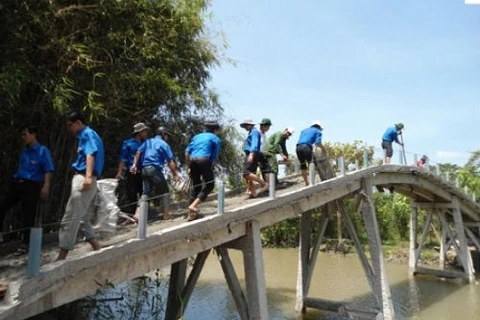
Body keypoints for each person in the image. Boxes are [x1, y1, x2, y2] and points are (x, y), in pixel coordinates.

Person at [56, 110, 104, 260]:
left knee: (70, 217)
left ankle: (62, 255)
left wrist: (88, 177)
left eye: (70, 125)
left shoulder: (86, 134)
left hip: (84, 177)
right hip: (86, 177)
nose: (69, 128)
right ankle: (96, 246)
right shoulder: (88, 134)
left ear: (78, 123)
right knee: (80, 215)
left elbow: (91, 154)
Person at [0, 125, 54, 254]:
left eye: (25, 134)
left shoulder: (42, 151)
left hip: (32, 185)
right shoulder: (24, 150)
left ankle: (25, 244)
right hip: (18, 182)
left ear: (33, 134)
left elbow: (48, 169)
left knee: (28, 215)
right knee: (2, 205)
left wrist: (46, 185)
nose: (23, 137)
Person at [130, 127, 179, 220]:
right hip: (154, 169)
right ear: (163, 134)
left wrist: (134, 165)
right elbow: (170, 161)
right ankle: (166, 215)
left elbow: (138, 152)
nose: (167, 138)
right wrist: (175, 174)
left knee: (145, 193)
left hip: (144, 169)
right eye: (167, 136)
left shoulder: (147, 142)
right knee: (165, 192)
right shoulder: (164, 144)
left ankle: (137, 214)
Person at [184, 121, 222, 221]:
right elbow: (214, 155)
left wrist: (188, 166)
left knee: (196, 187)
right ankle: (194, 205)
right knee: (210, 185)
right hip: (204, 160)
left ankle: (191, 215)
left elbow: (187, 152)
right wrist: (210, 166)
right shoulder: (215, 138)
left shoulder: (196, 137)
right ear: (216, 130)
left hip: (192, 161)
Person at [115, 123, 149, 217]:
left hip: (144, 172)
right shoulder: (128, 143)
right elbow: (123, 158)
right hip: (132, 173)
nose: (146, 133)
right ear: (139, 133)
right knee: (131, 194)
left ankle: (144, 215)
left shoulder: (146, 144)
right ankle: (131, 216)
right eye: (144, 131)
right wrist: (120, 172)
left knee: (144, 192)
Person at [240, 119, 268, 199]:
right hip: (251, 154)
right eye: (244, 126)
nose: (245, 127)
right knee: (250, 175)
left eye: (246, 125)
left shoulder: (254, 132)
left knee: (246, 173)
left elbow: (254, 144)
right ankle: (253, 193)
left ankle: (263, 183)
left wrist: (251, 155)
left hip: (252, 153)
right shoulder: (252, 132)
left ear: (251, 125)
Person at [296, 121, 327, 186]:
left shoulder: (304, 131)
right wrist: (324, 150)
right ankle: (311, 183)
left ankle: (306, 182)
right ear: (319, 127)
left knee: (303, 165)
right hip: (306, 147)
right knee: (312, 164)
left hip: (298, 147)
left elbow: (306, 140)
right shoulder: (318, 131)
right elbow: (318, 142)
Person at [258, 118, 272, 183]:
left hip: (262, 154)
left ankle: (267, 185)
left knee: (265, 170)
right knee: (266, 170)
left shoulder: (264, 135)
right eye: (268, 127)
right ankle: (267, 185)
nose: (268, 128)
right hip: (258, 154)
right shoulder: (258, 133)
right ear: (264, 126)